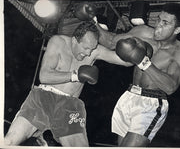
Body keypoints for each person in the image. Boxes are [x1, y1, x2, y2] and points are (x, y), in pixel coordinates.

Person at [4, 21, 133, 147]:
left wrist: (139, 52)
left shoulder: (95, 51)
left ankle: (43, 140)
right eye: (86, 48)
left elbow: (125, 61)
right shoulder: (58, 42)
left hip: (69, 106)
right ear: (74, 40)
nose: (89, 53)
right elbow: (44, 76)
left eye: (92, 49)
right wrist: (75, 75)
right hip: (43, 98)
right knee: (9, 142)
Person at [94, 2, 180, 146]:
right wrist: (92, 21)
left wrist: (143, 62)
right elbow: (110, 42)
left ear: (177, 30)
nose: (158, 25)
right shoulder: (143, 32)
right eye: (158, 19)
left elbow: (170, 87)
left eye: (165, 23)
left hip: (151, 103)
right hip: (129, 96)